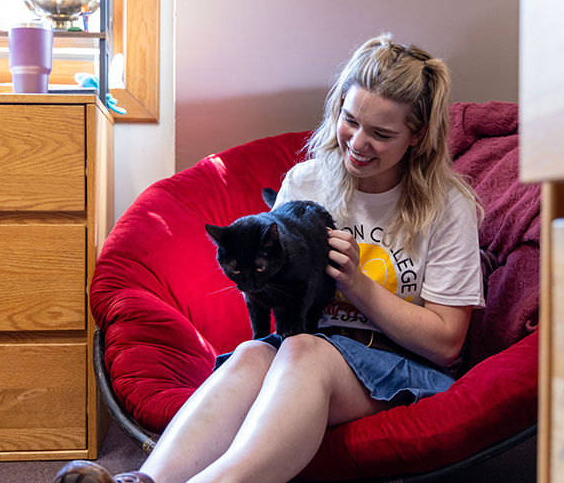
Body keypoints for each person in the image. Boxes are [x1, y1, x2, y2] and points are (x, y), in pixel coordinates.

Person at [53, 33, 485, 483]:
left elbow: (446, 342)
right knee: (250, 354)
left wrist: (358, 285)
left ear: (416, 137)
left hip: (400, 365)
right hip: (305, 350)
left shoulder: (446, 206)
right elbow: (276, 295)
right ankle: (146, 480)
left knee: (301, 348)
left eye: (381, 134)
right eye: (350, 120)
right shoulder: (307, 181)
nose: (357, 142)